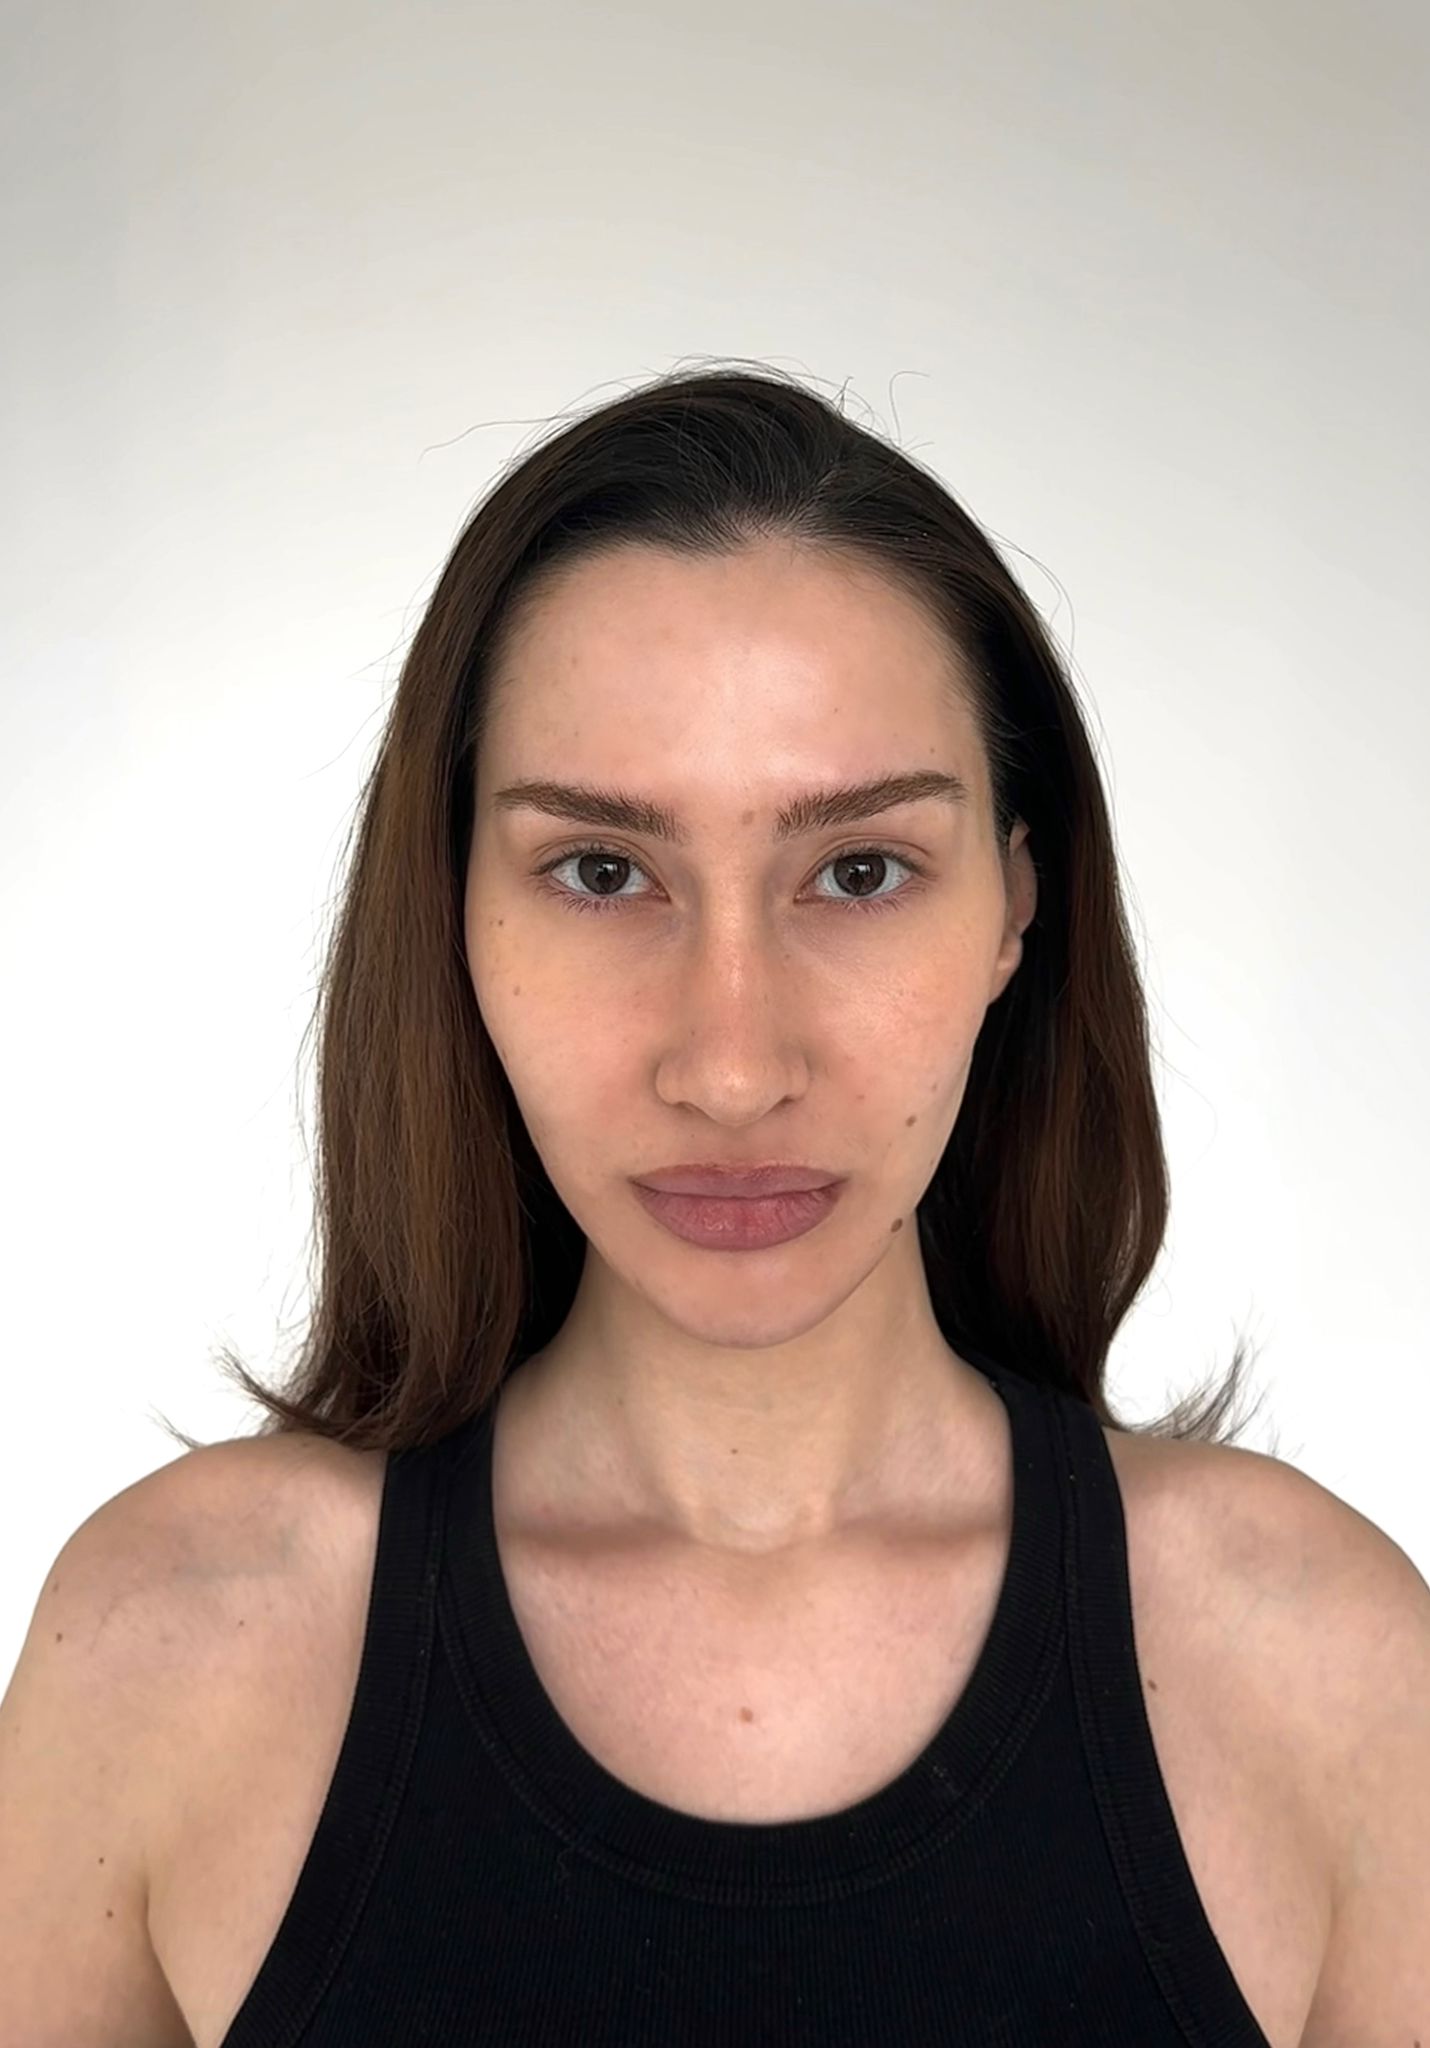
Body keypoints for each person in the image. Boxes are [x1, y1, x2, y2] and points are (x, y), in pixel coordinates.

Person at [3, 365, 1426, 2048]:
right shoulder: (170, 1646)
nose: (733, 1067)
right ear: (450, 910)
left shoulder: (1325, 1670)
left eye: (859, 871)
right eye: (602, 872)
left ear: (1013, 906)